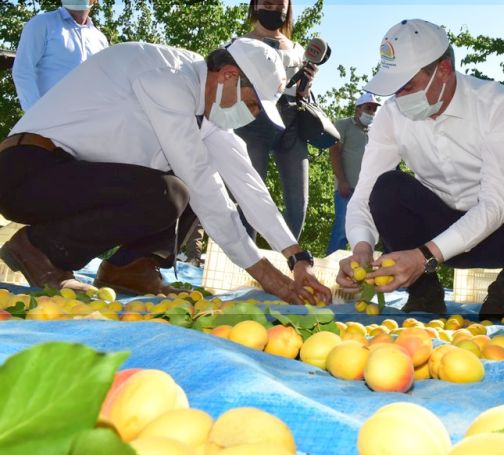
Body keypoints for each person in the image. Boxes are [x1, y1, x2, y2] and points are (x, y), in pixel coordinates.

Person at [0, 38, 331, 305]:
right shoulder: (170, 81)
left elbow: (247, 183)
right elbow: (203, 183)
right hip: (26, 171)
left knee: (181, 183)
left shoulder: (207, 102)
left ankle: (131, 267)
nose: (253, 114)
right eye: (254, 103)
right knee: (175, 189)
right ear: (229, 75)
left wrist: (296, 256)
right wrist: (264, 273)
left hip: (67, 176)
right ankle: (41, 249)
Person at [335, 19, 504, 320]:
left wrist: (423, 257)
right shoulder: (390, 116)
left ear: (444, 71)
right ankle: (424, 294)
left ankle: (503, 296)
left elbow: (494, 206)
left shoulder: (500, 104)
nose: (398, 98)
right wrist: (361, 248)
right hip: (436, 228)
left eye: (407, 85)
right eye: (393, 89)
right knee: (388, 188)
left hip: (502, 233)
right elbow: (364, 195)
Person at [235, 0, 316, 240]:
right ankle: (245, 258)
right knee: (249, 193)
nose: (273, 9)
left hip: (292, 122)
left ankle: (290, 261)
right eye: (267, 3)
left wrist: (307, 85)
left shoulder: (298, 49)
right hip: (253, 120)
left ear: (288, 8)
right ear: (256, 5)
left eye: (279, 5)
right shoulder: (239, 44)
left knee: (298, 199)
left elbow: (303, 94)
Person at [12, 0, 108, 112]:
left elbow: (102, 82)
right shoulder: (42, 24)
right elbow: (22, 70)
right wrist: (36, 117)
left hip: (89, 120)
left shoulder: (100, 39)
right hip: (51, 121)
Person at [326, 92, 380, 255]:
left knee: (368, 235)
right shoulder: (343, 125)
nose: (371, 112)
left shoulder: (375, 132)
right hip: (347, 189)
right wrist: (342, 181)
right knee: (341, 231)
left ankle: (363, 271)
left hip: (369, 193)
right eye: (368, 108)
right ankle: (329, 270)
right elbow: (334, 153)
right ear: (357, 109)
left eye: (373, 109)